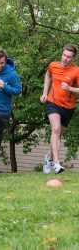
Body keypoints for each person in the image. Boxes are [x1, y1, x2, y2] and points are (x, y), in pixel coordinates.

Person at [40, 44, 79, 174]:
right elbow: (48, 76)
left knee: (58, 135)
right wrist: (45, 93)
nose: (65, 58)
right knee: (55, 130)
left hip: (68, 107)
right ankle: (57, 164)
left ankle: (49, 157)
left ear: (73, 58)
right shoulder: (53, 65)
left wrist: (70, 89)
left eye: (69, 57)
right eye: (64, 55)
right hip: (53, 102)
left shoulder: (76, 71)